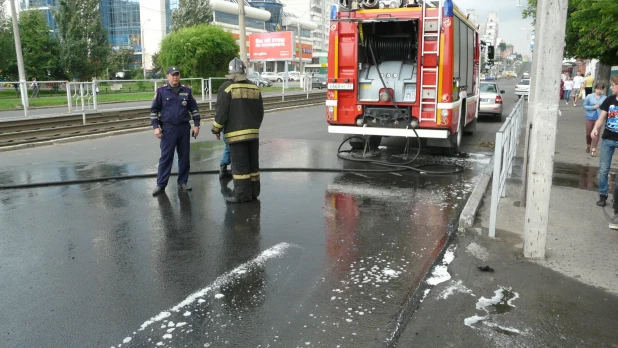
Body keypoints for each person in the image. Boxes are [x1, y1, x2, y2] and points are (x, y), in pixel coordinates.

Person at [211, 58, 264, 203]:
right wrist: (254, 127)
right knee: (253, 166)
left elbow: (221, 113)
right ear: (243, 71)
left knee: (240, 168)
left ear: (230, 73)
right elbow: (260, 112)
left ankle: (241, 195)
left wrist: (216, 129)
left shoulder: (226, 88)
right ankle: (254, 192)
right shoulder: (254, 87)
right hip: (253, 135)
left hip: (236, 136)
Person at [149, 66, 201, 196]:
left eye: (177, 74)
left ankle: (183, 182)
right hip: (168, 129)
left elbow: (194, 109)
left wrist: (196, 125)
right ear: (167, 76)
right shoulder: (161, 91)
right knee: (166, 157)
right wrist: (156, 127)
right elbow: (154, 111)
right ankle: (161, 185)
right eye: (172, 75)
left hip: (183, 128)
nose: (175, 77)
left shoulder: (186, 91)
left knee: (184, 157)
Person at [590, 76, 618, 226]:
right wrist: (595, 128)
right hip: (608, 138)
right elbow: (601, 118)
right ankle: (603, 195)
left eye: (614, 85)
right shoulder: (609, 100)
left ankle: (617, 198)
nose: (611, 88)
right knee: (603, 170)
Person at [583, 82, 606, 157]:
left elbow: (606, 108)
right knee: (588, 133)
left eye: (601, 89)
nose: (599, 91)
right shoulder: (589, 96)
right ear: (595, 89)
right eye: (598, 89)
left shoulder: (605, 98)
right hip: (590, 116)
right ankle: (588, 145)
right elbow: (585, 106)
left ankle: (594, 149)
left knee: (596, 133)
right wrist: (593, 107)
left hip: (599, 118)